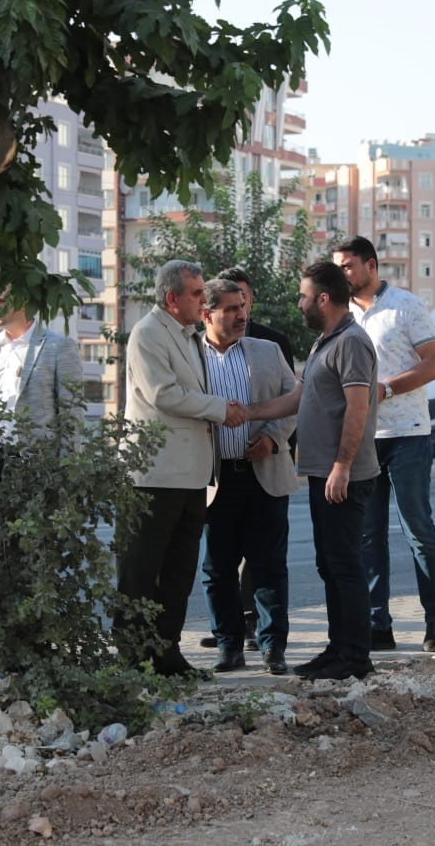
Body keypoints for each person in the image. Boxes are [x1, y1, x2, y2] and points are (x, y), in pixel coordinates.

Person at [245, 261, 379, 681]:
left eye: (303, 296)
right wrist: (246, 413)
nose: (299, 303)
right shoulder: (326, 341)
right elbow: (297, 399)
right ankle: (338, 648)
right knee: (330, 564)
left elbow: (359, 407)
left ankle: (355, 656)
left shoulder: (352, 342)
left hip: (345, 475)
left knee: (344, 564)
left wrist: (341, 465)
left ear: (323, 298)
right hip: (324, 473)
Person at [120, 260, 246, 676]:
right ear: (172, 298)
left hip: (191, 476)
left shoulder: (188, 335)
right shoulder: (147, 334)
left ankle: (167, 654)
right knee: (142, 573)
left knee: (177, 574)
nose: (203, 300)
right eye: (195, 293)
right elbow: (164, 395)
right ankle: (134, 659)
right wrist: (219, 409)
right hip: (154, 476)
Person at [332, 236, 435, 652]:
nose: (343, 274)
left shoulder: (405, 306)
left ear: (371, 265)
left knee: (417, 529)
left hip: (408, 434)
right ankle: (377, 624)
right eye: (338, 267)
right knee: (368, 535)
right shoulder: (342, 315)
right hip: (364, 438)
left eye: (348, 266)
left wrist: (386, 389)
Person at [195, 266, 297, 652]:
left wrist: (272, 438)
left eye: (243, 306)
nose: (242, 315)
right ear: (207, 315)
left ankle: (273, 649)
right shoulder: (190, 356)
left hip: (264, 472)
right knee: (217, 570)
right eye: (231, 309)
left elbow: (295, 402)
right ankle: (228, 646)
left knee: (268, 567)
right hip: (215, 479)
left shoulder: (267, 351)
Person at [0, 283, 83, 481]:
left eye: (0, 300)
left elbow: (72, 415)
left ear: (23, 301)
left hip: (36, 465)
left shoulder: (59, 346)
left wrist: (66, 472)